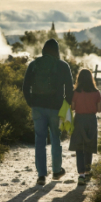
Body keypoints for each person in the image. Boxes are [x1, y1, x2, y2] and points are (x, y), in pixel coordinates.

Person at [23, 39, 73, 185]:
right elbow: (69, 88)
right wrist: (66, 105)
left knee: (39, 140)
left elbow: (25, 87)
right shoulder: (63, 65)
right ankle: (56, 171)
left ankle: (41, 175)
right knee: (56, 138)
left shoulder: (33, 64)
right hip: (56, 108)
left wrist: (31, 103)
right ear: (57, 50)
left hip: (37, 107)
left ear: (43, 49)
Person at [69, 68, 101, 185]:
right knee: (89, 147)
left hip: (79, 120)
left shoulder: (76, 92)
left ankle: (81, 175)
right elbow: (99, 109)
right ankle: (88, 172)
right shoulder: (96, 92)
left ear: (79, 78)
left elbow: (72, 107)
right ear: (91, 78)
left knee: (79, 148)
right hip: (91, 120)